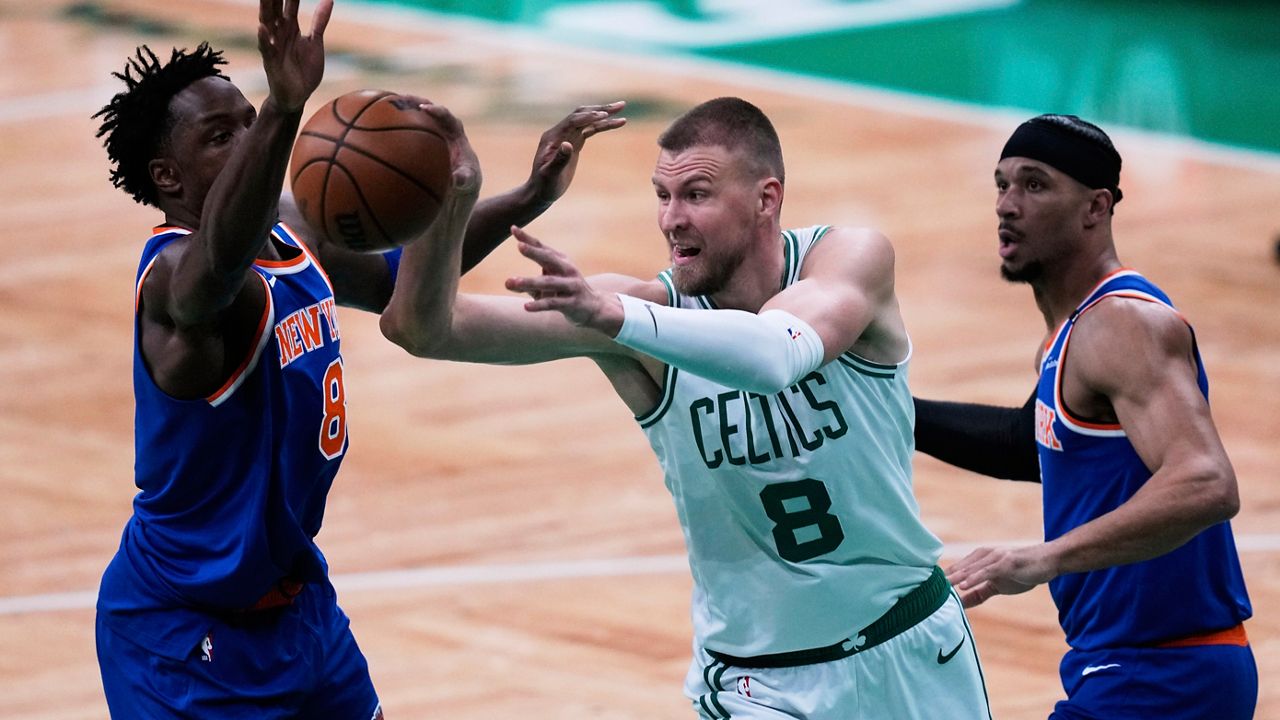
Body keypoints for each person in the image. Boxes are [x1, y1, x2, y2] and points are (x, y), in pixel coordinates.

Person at [379, 96, 993, 719]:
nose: (672, 219)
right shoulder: (637, 312)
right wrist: (453, 200)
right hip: (765, 688)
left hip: (914, 646)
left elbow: (773, 356)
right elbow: (422, 330)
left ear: (766, 199)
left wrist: (613, 316)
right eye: (662, 195)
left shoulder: (849, 260)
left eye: (696, 195)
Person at [90, 0, 623, 715]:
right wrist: (283, 108)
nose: (251, 141)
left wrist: (520, 196)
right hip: (183, 639)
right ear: (169, 178)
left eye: (249, 121)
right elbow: (216, 268)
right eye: (222, 137)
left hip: (298, 607)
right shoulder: (173, 280)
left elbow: (407, 283)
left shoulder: (292, 232)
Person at [915, 114, 1257, 719]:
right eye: (1002, 184)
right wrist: (889, 410)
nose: (1007, 205)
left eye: (1035, 185)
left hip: (1165, 676)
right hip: (1129, 667)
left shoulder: (1122, 324)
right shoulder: (1070, 335)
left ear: (1095, 207)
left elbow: (1206, 482)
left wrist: (1037, 559)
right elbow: (1028, 444)